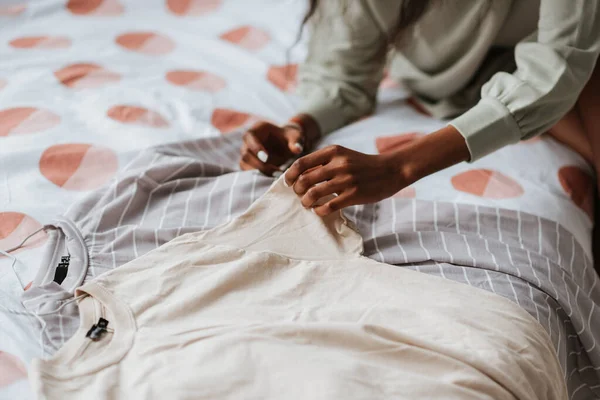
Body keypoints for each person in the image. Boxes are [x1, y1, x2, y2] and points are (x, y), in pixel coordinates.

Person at [239, 0, 600, 218]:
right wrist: (301, 127)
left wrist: (399, 167)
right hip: (454, 80)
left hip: (577, 60)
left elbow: (560, 61)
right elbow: (345, 76)